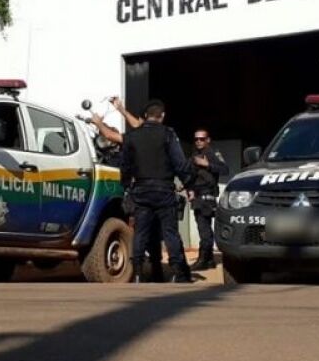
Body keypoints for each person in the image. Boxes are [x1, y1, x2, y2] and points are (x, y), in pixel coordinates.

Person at [89, 97, 165, 282]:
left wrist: (116, 112)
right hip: (124, 198)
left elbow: (134, 128)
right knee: (139, 234)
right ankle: (138, 271)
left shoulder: (131, 144)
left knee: (149, 233)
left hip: (138, 195)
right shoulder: (101, 154)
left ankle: (154, 269)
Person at [120, 99, 192, 283]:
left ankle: (137, 272)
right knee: (170, 233)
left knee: (140, 232)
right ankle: (177, 272)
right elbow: (180, 163)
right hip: (163, 189)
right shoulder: (168, 134)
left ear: (145, 116)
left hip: (141, 190)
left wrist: (126, 186)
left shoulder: (131, 136)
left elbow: (125, 165)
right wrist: (188, 184)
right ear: (162, 116)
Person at [185, 129, 229, 271]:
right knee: (204, 229)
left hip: (207, 197)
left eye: (202, 139)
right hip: (197, 197)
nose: (198, 141)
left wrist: (207, 165)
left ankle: (203, 260)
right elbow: (190, 176)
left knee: (204, 230)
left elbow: (225, 169)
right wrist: (188, 189)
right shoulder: (194, 156)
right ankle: (209, 260)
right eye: (196, 139)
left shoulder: (212, 153)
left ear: (208, 140)